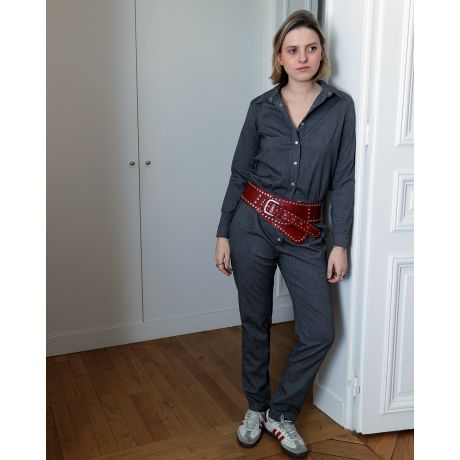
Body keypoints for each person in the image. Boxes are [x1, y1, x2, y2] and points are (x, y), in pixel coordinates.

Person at [214, 9, 356, 459]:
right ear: (280, 57)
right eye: (293, 50)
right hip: (251, 225)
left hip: (306, 233)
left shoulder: (340, 108)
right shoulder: (261, 108)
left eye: (311, 48)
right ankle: (256, 408)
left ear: (322, 53)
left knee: (319, 331)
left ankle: (282, 413)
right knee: (255, 323)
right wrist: (223, 232)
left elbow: (344, 180)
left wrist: (340, 243)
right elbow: (239, 173)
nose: (303, 57)